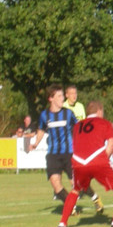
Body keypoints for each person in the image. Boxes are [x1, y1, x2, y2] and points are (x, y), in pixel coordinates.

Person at [29, 84, 103, 214]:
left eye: (62, 95)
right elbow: (41, 129)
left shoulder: (68, 113)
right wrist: (35, 143)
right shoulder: (44, 115)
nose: (62, 98)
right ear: (50, 98)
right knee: (55, 183)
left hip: (69, 153)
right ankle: (71, 207)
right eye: (59, 96)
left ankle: (95, 198)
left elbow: (79, 129)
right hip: (53, 154)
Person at [57, 101, 113, 227]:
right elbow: (111, 143)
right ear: (99, 111)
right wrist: (103, 159)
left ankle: (62, 223)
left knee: (75, 190)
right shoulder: (104, 123)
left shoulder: (77, 125)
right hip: (97, 160)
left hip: (78, 162)